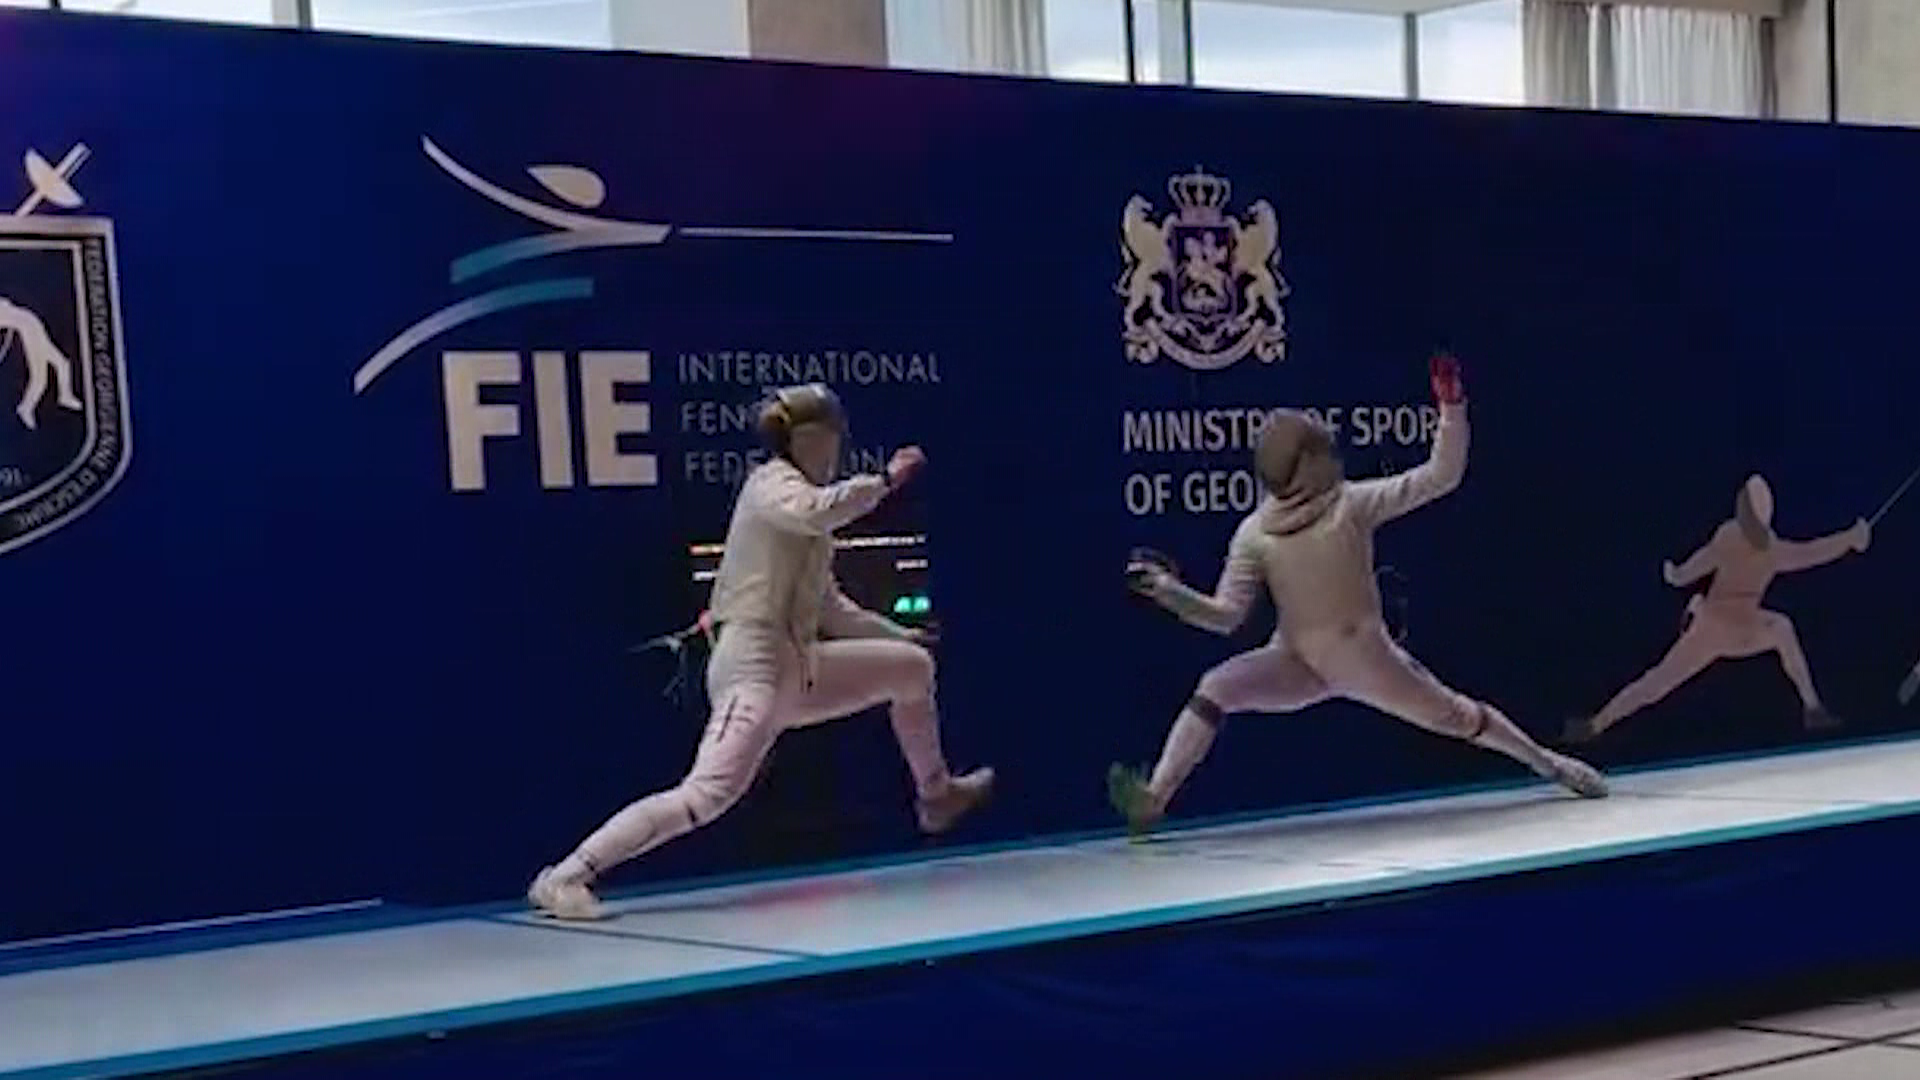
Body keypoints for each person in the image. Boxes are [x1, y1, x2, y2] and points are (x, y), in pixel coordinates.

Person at [530, 383, 993, 919]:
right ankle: (566, 876)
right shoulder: (772, 486)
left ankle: (936, 795)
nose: (835, 450)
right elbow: (815, 511)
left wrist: (899, 637)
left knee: (911, 668)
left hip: (798, 667)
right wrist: (886, 481)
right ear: (810, 439)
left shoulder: (806, 521)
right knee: (703, 797)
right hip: (752, 667)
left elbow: (832, 609)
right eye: (829, 438)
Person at [1110, 355, 1608, 837]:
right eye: (1324, 453)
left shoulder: (1350, 506)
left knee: (1459, 717)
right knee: (1216, 686)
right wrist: (1170, 593)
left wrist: (1452, 409)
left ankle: (1550, 764)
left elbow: (1440, 476)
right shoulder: (1255, 534)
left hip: (1367, 662)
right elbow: (1225, 617)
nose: (1335, 459)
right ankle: (1155, 799)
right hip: (1297, 663)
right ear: (1306, 465)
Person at [1566, 475, 1868, 743]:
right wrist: (1850, 539)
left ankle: (1812, 708)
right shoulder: (1743, 541)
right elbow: (1811, 552)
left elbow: (1808, 552)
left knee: (1780, 628)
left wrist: (1676, 575)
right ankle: (1596, 724)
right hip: (1714, 628)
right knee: (1656, 683)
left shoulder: (1758, 545)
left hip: (1737, 626)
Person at [0, 295, 83, 430]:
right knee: (40, 378)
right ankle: (26, 407)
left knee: (62, 364)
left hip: (36, 328)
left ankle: (65, 396)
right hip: (31, 333)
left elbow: (6, 304)